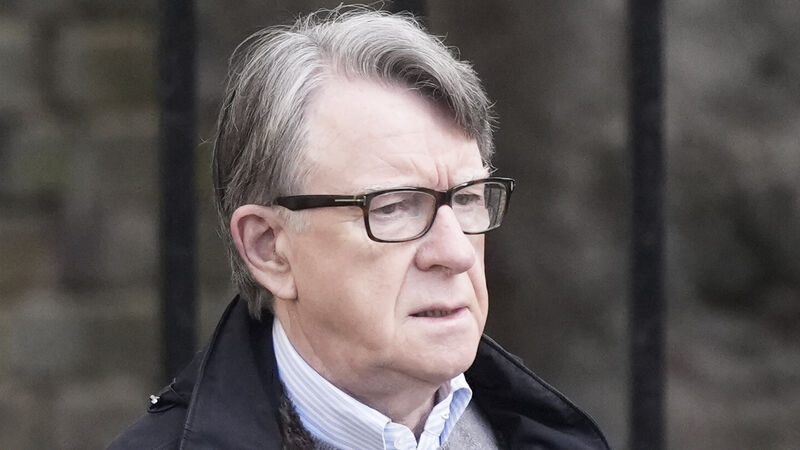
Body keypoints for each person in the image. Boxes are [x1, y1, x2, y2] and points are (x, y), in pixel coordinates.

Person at [109, 7, 609, 450]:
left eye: (467, 198)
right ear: (269, 248)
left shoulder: (551, 437)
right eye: (394, 207)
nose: (455, 253)